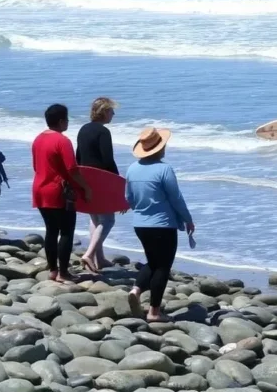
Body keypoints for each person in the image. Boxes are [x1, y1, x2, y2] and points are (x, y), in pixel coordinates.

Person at [125, 127, 194, 322]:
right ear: (159, 148)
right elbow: (176, 198)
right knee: (163, 266)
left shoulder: (132, 168)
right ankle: (154, 312)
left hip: (140, 224)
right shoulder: (164, 169)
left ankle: (136, 289)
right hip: (163, 225)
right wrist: (188, 219)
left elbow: (128, 198)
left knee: (153, 262)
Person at [32, 104, 91, 283]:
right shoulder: (62, 140)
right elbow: (72, 169)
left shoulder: (38, 139)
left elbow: (36, 166)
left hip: (39, 189)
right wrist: (86, 188)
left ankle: (52, 270)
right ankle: (63, 273)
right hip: (57, 191)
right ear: (61, 121)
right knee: (66, 231)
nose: (68, 122)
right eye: (67, 119)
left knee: (51, 230)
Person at [77, 97, 120, 273]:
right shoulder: (103, 132)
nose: (113, 114)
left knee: (95, 218)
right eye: (111, 111)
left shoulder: (83, 129)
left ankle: (100, 259)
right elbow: (108, 160)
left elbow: (78, 156)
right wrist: (117, 182)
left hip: (85, 177)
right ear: (103, 112)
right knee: (109, 219)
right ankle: (89, 254)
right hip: (100, 179)